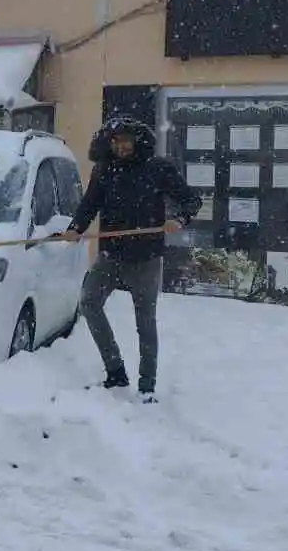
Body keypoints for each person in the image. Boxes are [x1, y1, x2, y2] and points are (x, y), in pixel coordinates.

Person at [58, 116, 201, 400]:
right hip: (111, 254)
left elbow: (191, 200)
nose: (121, 146)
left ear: (137, 141)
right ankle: (115, 371)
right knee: (89, 302)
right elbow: (90, 205)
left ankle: (147, 386)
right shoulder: (104, 170)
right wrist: (75, 228)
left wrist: (179, 219)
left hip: (146, 258)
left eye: (125, 140)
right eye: (115, 141)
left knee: (144, 321)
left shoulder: (157, 169)